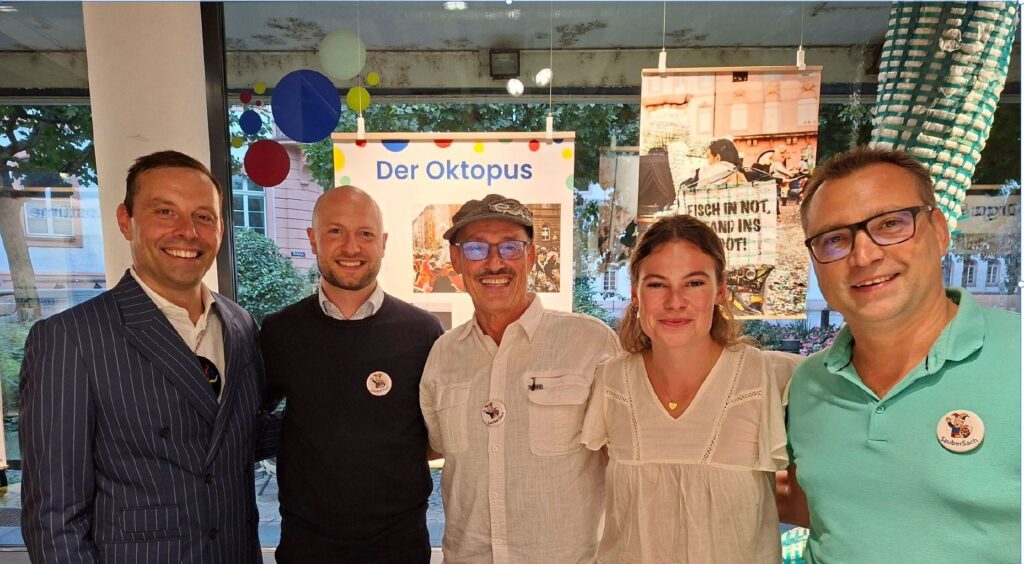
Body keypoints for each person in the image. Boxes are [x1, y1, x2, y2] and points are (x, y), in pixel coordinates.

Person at [20, 150, 276, 563]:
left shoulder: (240, 324)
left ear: (220, 228)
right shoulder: (70, 338)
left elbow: (236, 439)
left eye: (203, 216)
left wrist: (339, 404)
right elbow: (54, 518)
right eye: (165, 212)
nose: (187, 231)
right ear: (126, 220)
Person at [780, 147, 1021, 562]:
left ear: (939, 230)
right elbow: (823, 507)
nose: (864, 255)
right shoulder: (809, 383)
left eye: (890, 224)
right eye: (835, 239)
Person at [581, 214, 800, 562]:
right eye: (657, 285)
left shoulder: (772, 379)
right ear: (636, 293)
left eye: (694, 283)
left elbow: (816, 500)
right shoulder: (610, 383)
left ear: (720, 290)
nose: (675, 302)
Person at [419, 194, 619, 563]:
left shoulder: (591, 343)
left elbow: (625, 462)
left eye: (510, 247)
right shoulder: (443, 355)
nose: (494, 263)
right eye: (476, 248)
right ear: (456, 261)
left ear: (531, 256)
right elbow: (437, 446)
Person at [260, 186, 445, 563]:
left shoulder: (423, 332)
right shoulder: (281, 331)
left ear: (383, 243)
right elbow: (251, 419)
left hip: (400, 547)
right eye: (335, 231)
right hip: (307, 547)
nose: (351, 247)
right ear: (313, 239)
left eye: (365, 233)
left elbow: (440, 435)